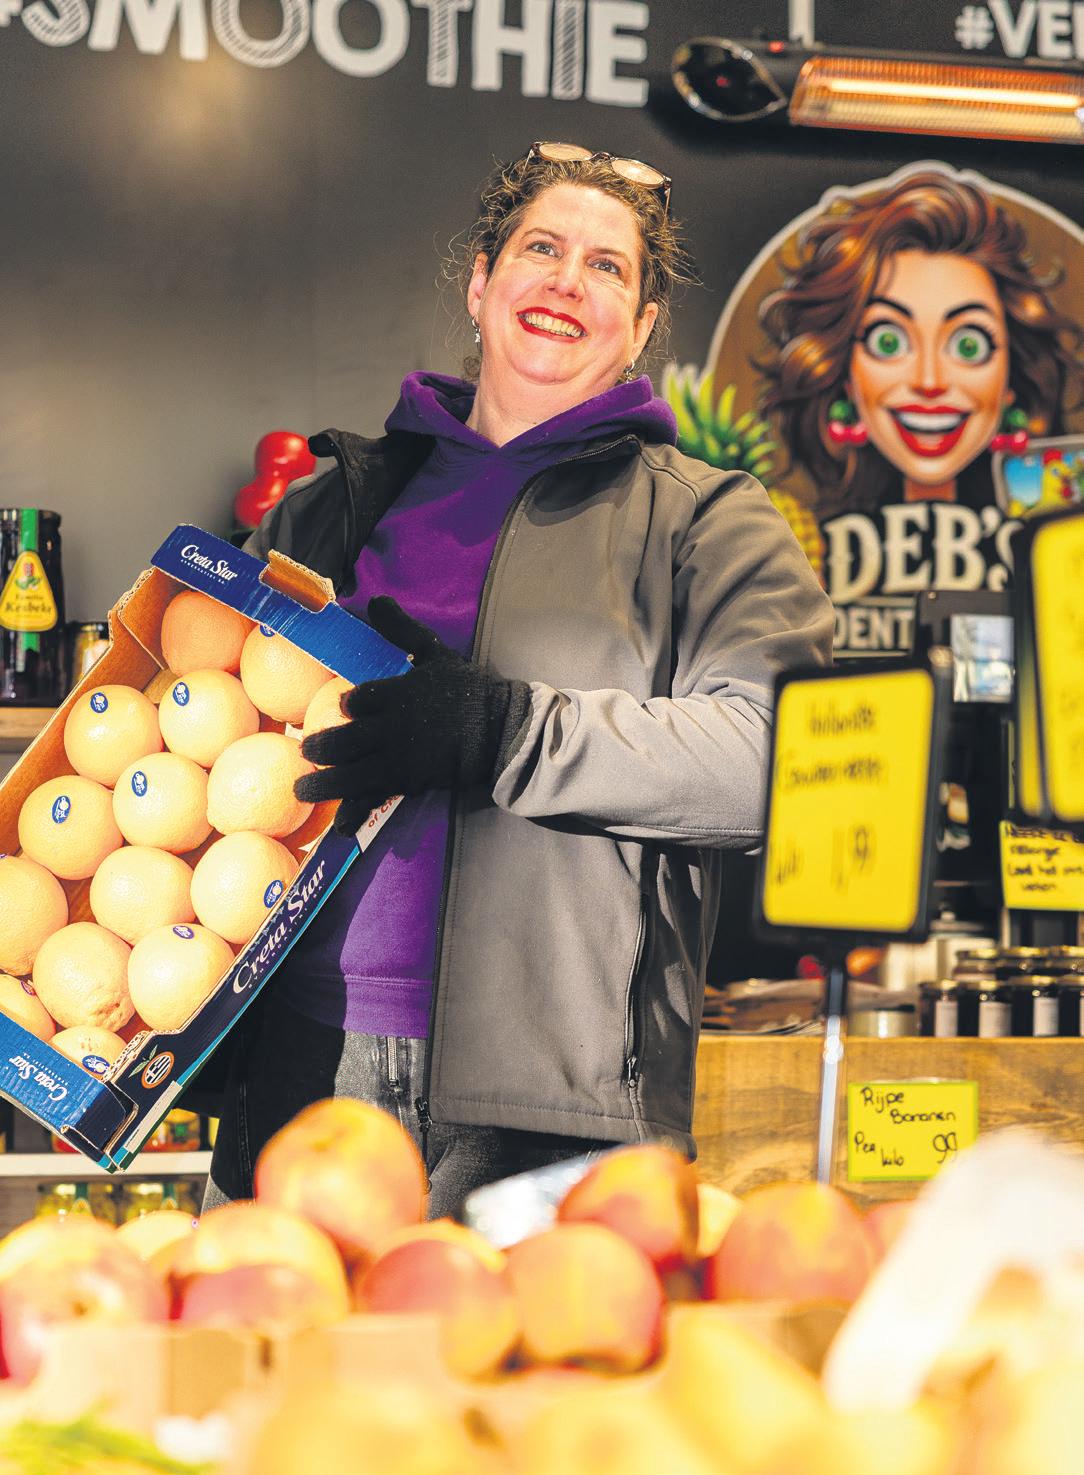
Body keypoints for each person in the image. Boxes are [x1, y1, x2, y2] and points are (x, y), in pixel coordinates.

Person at [201, 143, 833, 1218]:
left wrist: (505, 731)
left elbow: (782, 761)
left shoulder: (704, 521)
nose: (568, 280)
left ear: (639, 326)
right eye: (542, 248)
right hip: (304, 1063)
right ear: (481, 281)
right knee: (276, 1329)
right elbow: (198, 763)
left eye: (607, 266)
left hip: (553, 1111)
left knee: (534, 1337)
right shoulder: (330, 508)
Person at [756, 168, 1084, 519]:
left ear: (1011, 377)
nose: (930, 381)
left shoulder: (1062, 528)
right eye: (888, 342)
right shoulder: (794, 532)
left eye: (969, 346)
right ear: (845, 376)